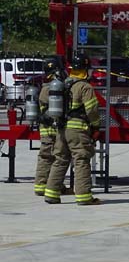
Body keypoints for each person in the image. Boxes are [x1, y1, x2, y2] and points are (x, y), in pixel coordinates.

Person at [44, 53, 102, 205]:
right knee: (81, 160)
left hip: (61, 128)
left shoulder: (64, 84)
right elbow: (91, 110)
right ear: (85, 69)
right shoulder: (85, 87)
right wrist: (96, 125)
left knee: (60, 159)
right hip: (78, 129)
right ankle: (84, 197)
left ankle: (51, 194)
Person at [33, 58, 73, 197]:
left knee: (47, 157)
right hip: (52, 127)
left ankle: (45, 185)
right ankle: (44, 185)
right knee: (52, 157)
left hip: (47, 127)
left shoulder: (46, 86)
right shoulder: (51, 87)